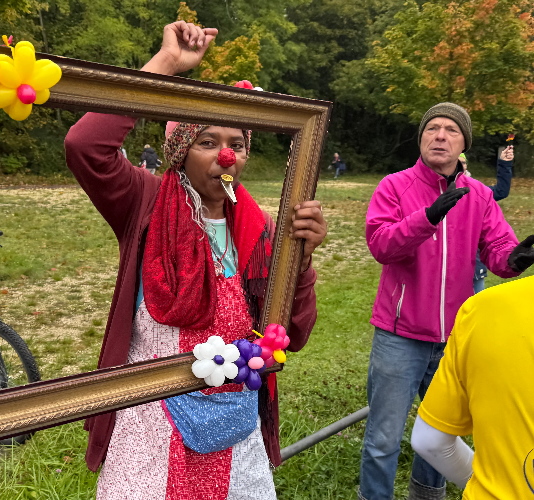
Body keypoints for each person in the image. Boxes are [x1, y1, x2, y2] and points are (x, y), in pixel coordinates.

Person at [64, 21, 327, 499]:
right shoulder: (143, 202)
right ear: (180, 152)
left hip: (234, 423)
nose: (226, 157)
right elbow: (86, 146)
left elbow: (293, 332)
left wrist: (302, 263)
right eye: (207, 142)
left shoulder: (262, 229)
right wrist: (167, 64)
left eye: (237, 145)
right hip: (151, 419)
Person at [359, 102, 532, 500]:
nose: (440, 136)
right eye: (432, 128)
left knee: (439, 435)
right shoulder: (394, 186)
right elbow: (381, 245)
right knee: (383, 438)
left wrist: (515, 258)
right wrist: (427, 218)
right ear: (421, 138)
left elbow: (498, 248)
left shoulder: (479, 195)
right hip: (400, 335)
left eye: (451, 130)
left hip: (454, 338)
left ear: (463, 143)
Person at [411, 272, 534, 498]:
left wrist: (488, 481)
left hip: (475, 321)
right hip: (407, 325)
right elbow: (384, 251)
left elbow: (430, 440)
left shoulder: (484, 309)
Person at [459, 146, 515, 293]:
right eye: (456, 162)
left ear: (467, 166)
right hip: (446, 266)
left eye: (463, 163)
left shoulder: (478, 192)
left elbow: (501, 191)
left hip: (474, 265)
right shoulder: (436, 192)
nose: (460, 166)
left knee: (477, 304)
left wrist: (505, 163)